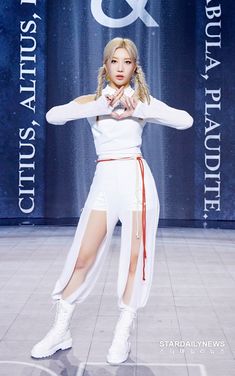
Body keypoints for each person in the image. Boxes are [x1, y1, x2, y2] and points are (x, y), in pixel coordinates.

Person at [31, 37, 193, 365]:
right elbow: (53, 116)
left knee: (135, 261)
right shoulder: (93, 100)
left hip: (135, 181)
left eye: (127, 62)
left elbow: (185, 120)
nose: (120, 68)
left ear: (135, 68)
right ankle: (61, 329)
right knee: (82, 258)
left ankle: (123, 332)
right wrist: (102, 106)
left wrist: (139, 108)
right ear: (105, 65)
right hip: (104, 181)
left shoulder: (142, 101)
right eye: (114, 61)